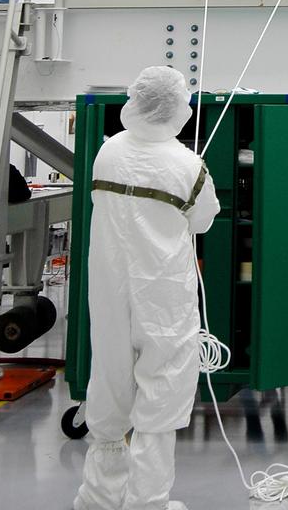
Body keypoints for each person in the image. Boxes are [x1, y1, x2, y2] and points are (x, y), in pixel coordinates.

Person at [74, 66, 219, 510]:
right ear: (177, 108)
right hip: (163, 295)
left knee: (111, 383)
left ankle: (99, 498)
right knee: (163, 391)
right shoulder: (188, 165)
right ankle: (147, 503)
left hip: (109, 288)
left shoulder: (108, 153)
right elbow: (204, 219)